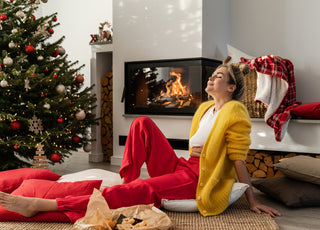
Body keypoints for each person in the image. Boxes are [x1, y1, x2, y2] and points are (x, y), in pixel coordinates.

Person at [0, 63, 281, 223]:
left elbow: (237, 158)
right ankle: (127, 183)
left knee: (144, 187)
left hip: (198, 178)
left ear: (231, 87)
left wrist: (252, 200)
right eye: (212, 74)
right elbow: (199, 147)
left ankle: (41, 205)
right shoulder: (206, 109)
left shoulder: (236, 112)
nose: (211, 77)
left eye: (219, 76)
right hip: (184, 166)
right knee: (142, 122)